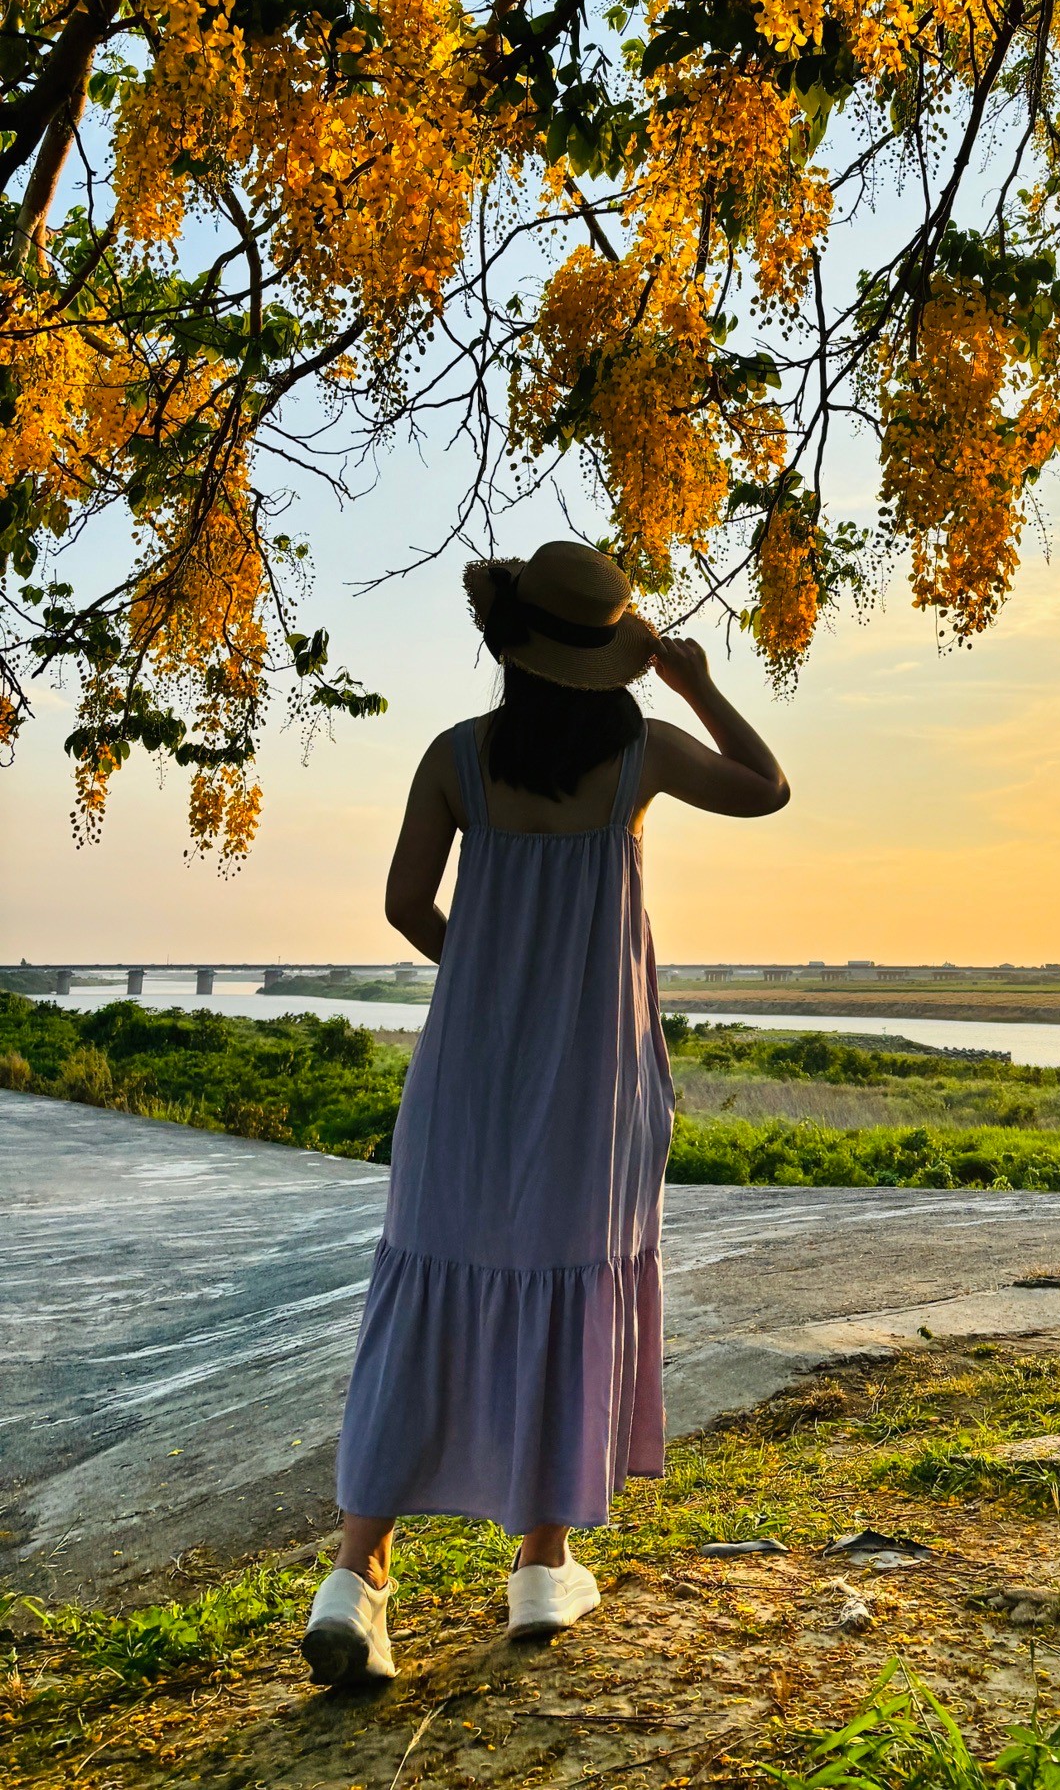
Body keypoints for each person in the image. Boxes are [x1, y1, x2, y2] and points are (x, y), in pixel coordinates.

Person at [301, 540, 789, 1685]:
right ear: (611, 653)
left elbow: (405, 906)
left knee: (430, 1282)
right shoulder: (642, 755)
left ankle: (354, 1574)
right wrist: (700, 684)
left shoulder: (456, 759)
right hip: (594, 1077)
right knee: (572, 1275)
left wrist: (481, 978)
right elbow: (766, 788)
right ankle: (540, 1565)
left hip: (468, 1071)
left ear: (514, 651)